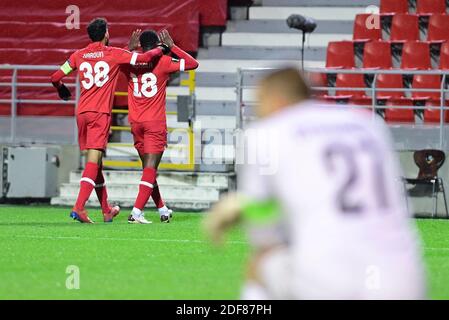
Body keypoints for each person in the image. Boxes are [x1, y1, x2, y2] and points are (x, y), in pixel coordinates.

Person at [204, 68, 426, 299]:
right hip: (402, 278)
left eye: (259, 102)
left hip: (330, 279)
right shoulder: (367, 123)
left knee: (261, 261)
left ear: (277, 102)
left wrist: (237, 211)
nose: (257, 111)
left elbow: (264, 232)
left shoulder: (267, 133)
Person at [50, 18, 169, 223]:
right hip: (99, 114)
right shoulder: (113, 53)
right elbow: (144, 58)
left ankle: (106, 210)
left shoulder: (78, 55)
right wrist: (163, 48)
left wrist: (61, 89)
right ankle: (79, 207)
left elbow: (55, 76)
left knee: (96, 164)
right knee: (93, 162)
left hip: (82, 113)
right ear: (105, 33)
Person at [122, 29, 199, 224]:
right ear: (158, 45)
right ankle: (136, 212)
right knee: (150, 170)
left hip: (136, 123)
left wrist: (129, 48)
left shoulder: (130, 62)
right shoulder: (163, 62)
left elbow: (117, 61)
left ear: (141, 46)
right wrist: (173, 47)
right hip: (154, 124)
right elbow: (193, 64)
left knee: (149, 170)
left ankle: (162, 209)